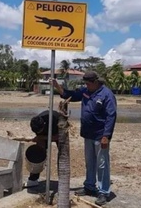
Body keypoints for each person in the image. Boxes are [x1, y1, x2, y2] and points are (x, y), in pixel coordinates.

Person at [52, 71, 117, 206]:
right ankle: (90, 186)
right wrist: (57, 86)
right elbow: (71, 95)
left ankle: (104, 192)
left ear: (95, 82)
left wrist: (107, 136)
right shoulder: (86, 91)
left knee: (102, 164)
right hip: (88, 134)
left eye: (88, 83)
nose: (86, 86)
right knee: (90, 162)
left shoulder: (107, 94)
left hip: (101, 135)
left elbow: (111, 116)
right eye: (85, 84)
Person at [24, 110, 60, 188]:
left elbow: (58, 136)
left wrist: (41, 137)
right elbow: (40, 137)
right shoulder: (36, 124)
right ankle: (33, 179)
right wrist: (40, 138)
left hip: (57, 131)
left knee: (62, 154)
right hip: (43, 135)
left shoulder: (55, 119)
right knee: (38, 153)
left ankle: (62, 178)